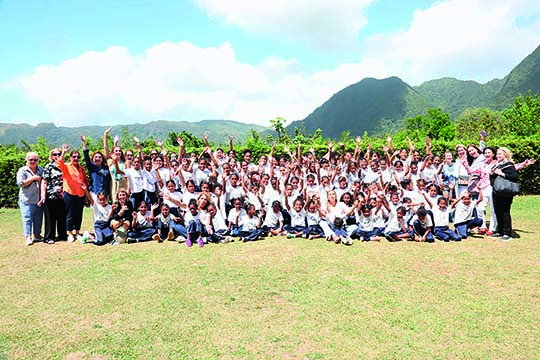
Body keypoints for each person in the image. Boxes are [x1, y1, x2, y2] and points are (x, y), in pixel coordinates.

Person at [57, 145, 89, 242]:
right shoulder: (66, 166)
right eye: (74, 156)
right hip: (70, 193)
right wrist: (64, 152)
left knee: (78, 214)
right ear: (70, 158)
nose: (76, 158)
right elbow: (59, 162)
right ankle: (70, 233)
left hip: (80, 194)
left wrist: (86, 194)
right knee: (70, 214)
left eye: (78, 157)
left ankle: (78, 232)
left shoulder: (81, 168)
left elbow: (85, 180)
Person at [490, 147, 519, 241]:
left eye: (500, 154)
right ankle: (500, 231)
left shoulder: (509, 165)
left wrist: (502, 174)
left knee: (505, 212)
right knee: (497, 211)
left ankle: (507, 233)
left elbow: (515, 177)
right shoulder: (497, 165)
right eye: (497, 154)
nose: (498, 156)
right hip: (496, 191)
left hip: (505, 192)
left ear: (505, 155)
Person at [41, 148, 67, 244]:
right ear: (51, 156)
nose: (57, 156)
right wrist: (43, 195)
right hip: (51, 196)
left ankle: (62, 235)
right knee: (50, 217)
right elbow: (44, 182)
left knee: (62, 216)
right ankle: (49, 237)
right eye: (55, 154)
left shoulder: (64, 166)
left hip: (63, 196)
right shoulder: (48, 167)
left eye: (59, 154)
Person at [17, 152, 44, 245]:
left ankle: (37, 235)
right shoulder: (22, 170)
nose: (33, 161)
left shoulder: (41, 169)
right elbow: (21, 183)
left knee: (38, 218)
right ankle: (28, 237)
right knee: (27, 218)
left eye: (35, 160)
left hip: (38, 199)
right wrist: (33, 178)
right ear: (27, 160)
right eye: (31, 160)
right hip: (27, 199)